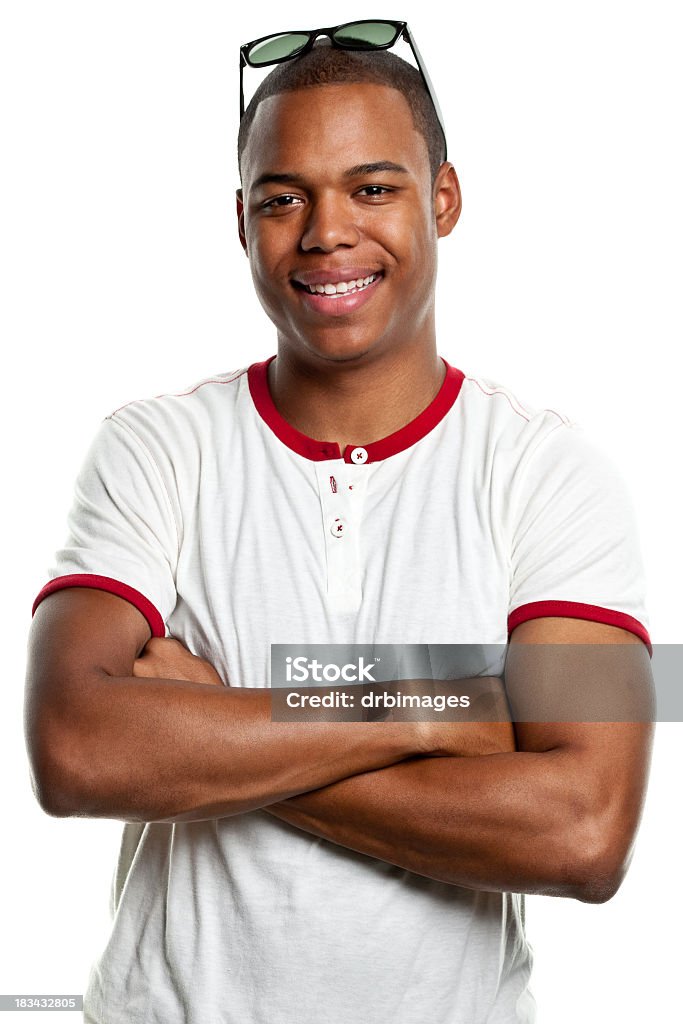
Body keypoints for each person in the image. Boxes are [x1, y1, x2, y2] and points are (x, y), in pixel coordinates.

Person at [24, 21, 654, 1024]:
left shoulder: (552, 475)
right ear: (242, 222)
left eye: (372, 187)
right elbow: (76, 749)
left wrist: (218, 725)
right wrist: (424, 707)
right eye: (283, 199)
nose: (325, 232)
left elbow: (580, 832)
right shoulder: (153, 448)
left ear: (441, 199)